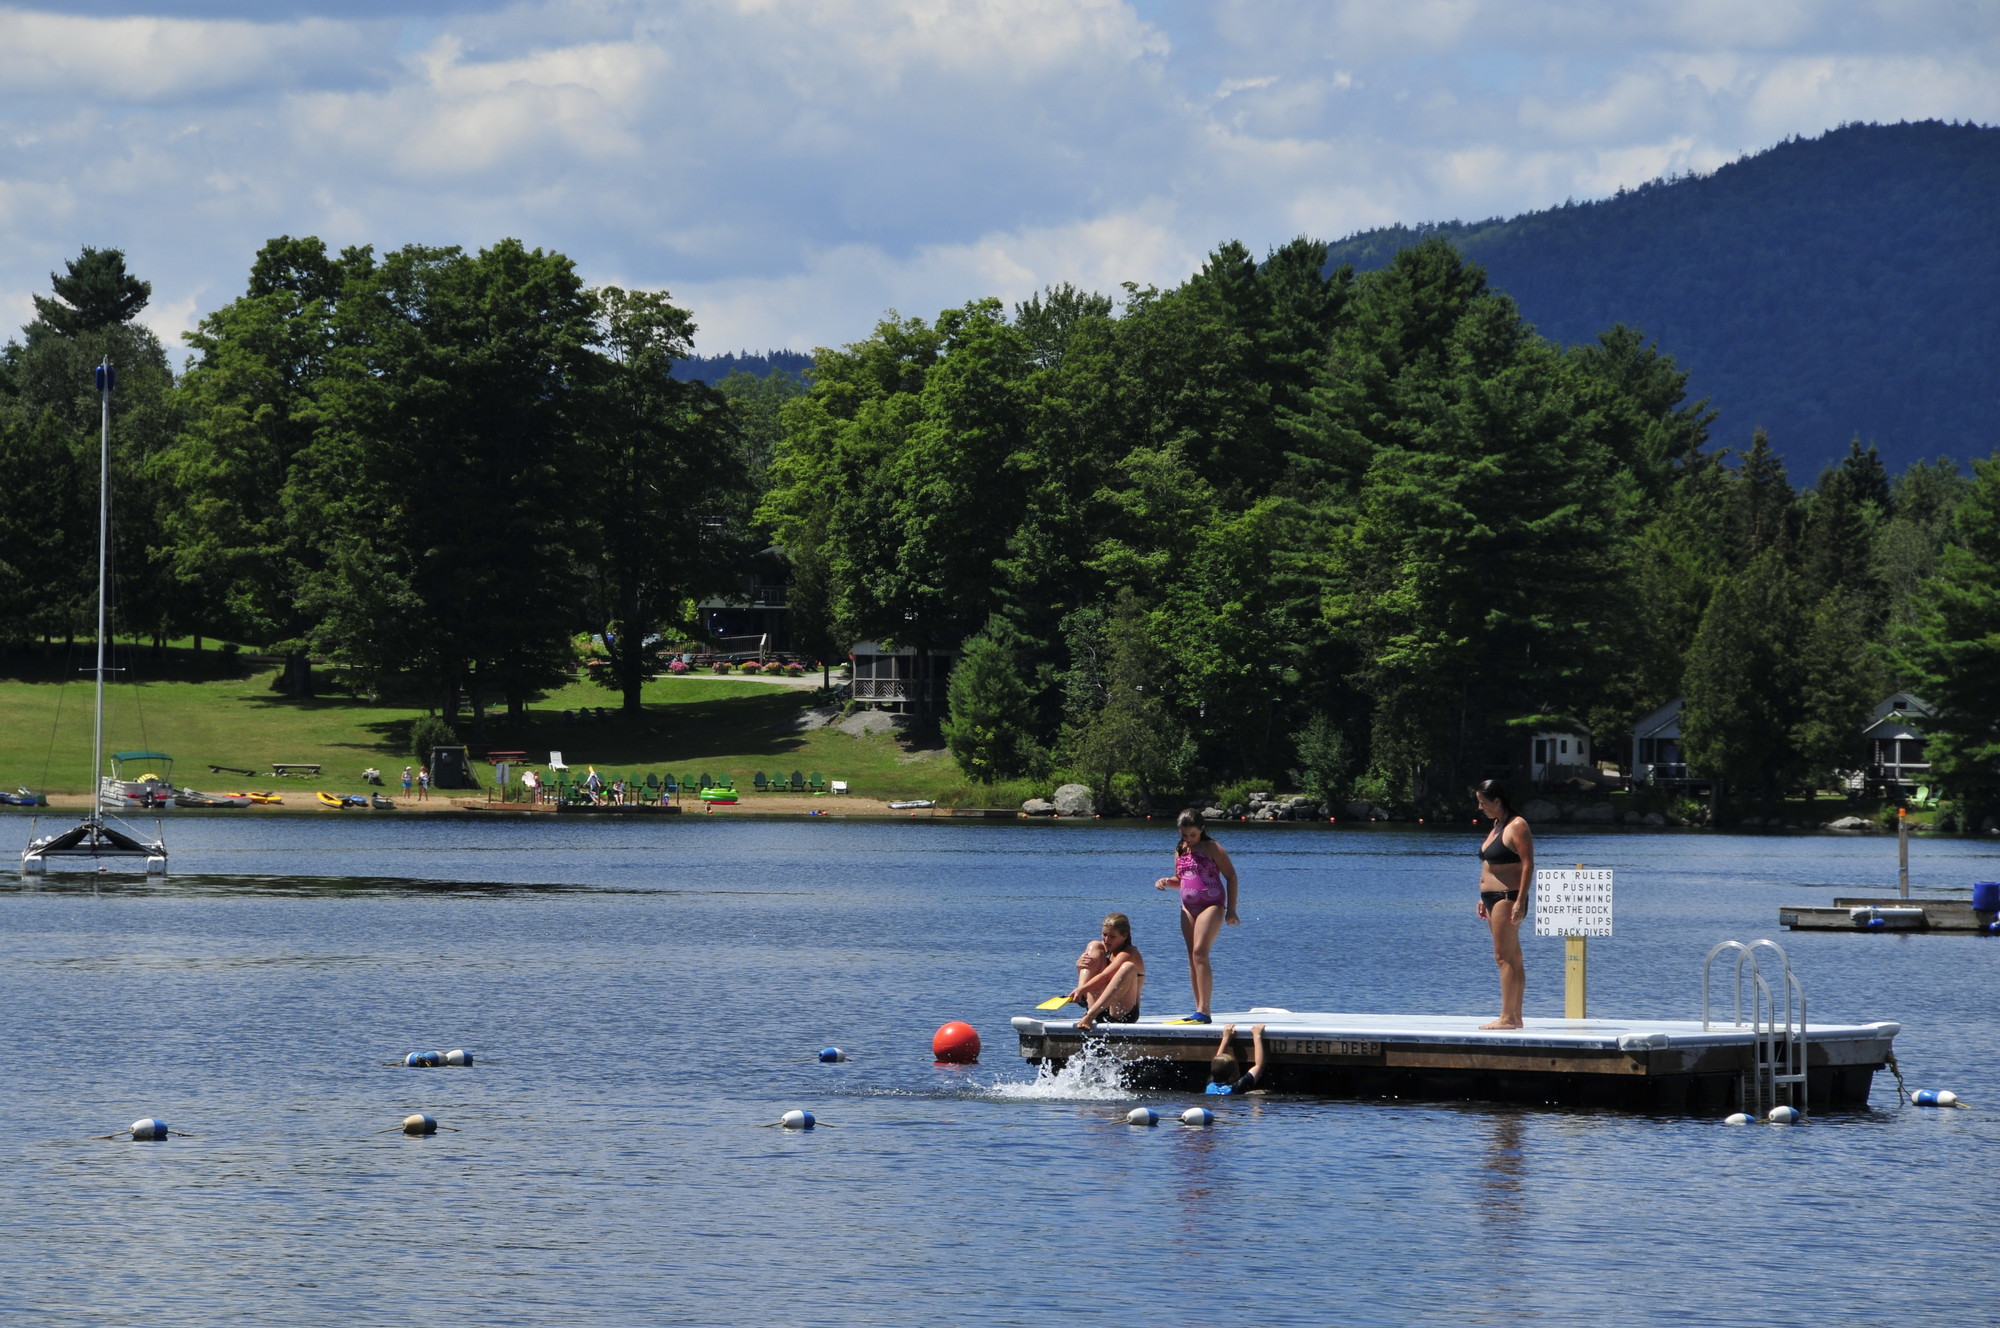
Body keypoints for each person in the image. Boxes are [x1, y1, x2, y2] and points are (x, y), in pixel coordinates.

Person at [1153, 808, 1238, 1024]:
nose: (1189, 839)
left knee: (1200, 952)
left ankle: (1205, 1011)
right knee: (1192, 956)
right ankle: (1197, 1010)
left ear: (1202, 829)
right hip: (1187, 908)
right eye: (1184, 835)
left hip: (1212, 905)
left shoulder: (1212, 848)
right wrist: (1165, 882)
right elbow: (1180, 880)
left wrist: (1232, 910)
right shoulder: (1180, 850)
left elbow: (1232, 877)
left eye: (1193, 835)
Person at [1474, 778, 1535, 1030]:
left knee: (1504, 957)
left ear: (1497, 801)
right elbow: (1491, 864)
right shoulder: (1497, 825)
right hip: (1491, 898)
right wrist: (1482, 896)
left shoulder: (1517, 825)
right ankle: (1516, 1017)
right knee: (1514, 956)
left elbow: (1528, 864)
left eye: (1483, 803)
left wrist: (1520, 900)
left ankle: (1507, 1017)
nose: (1480, 808)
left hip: (1507, 898)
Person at [1071, 912, 1144, 1031]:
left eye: (1112, 937)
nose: (1106, 940)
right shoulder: (1102, 949)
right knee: (1093, 945)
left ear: (1124, 936)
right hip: (1099, 1008)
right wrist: (1079, 966)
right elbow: (1096, 976)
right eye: (1104, 935)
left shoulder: (1130, 953)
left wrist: (1082, 990)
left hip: (1122, 1014)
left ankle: (1090, 1015)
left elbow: (1105, 977)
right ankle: (1083, 999)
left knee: (1128, 967)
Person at [1204, 1023, 1268, 1094]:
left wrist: (1225, 1038)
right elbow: (1259, 1065)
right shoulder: (1237, 1087)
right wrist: (1257, 1036)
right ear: (1235, 1075)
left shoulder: (1209, 1084)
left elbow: (1218, 1060)